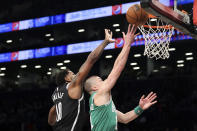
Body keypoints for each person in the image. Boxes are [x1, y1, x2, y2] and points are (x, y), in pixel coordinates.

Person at [84, 24, 157, 131]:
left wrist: (140, 108)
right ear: (95, 88)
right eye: (100, 80)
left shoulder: (104, 105)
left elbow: (125, 118)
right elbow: (116, 70)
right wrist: (127, 45)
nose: (104, 80)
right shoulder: (98, 94)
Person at [48, 29, 115, 131]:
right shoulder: (72, 86)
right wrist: (105, 42)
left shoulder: (56, 93)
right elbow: (91, 59)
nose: (75, 75)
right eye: (72, 74)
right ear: (66, 78)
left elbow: (51, 115)